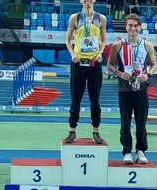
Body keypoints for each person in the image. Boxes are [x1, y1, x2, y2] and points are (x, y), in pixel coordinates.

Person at [107, 13, 157, 164]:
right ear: (126, 26)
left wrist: (148, 75)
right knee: (125, 122)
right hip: (124, 89)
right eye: (130, 25)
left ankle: (141, 151)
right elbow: (109, 64)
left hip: (141, 89)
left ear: (140, 27)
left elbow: (154, 65)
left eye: (135, 26)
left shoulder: (146, 45)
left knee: (142, 122)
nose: (133, 28)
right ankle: (126, 151)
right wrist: (118, 73)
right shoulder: (118, 45)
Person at [64, 0, 107, 144]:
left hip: (95, 63)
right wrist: (72, 55)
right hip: (78, 63)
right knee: (75, 98)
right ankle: (72, 130)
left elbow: (103, 41)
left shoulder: (101, 18)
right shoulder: (74, 18)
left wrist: (101, 52)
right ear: (81, 1)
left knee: (95, 99)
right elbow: (67, 40)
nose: (87, 1)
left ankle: (95, 131)